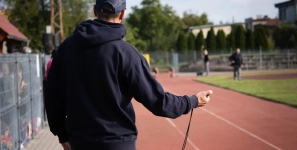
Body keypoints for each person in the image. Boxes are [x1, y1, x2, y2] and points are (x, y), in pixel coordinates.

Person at [45, 0, 213, 150]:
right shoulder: (126, 53)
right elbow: (159, 102)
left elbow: (51, 93)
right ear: (123, 14)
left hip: (79, 143)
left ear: (95, 11)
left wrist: (62, 134)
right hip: (118, 143)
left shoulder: (67, 47)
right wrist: (193, 101)